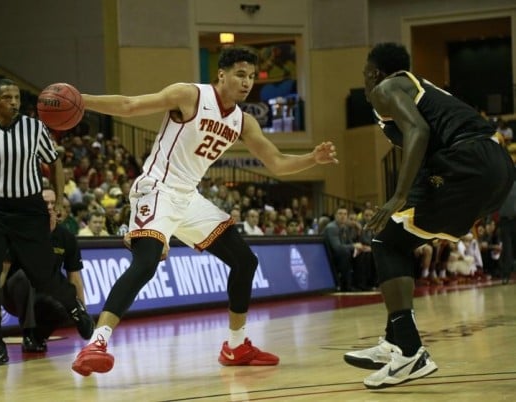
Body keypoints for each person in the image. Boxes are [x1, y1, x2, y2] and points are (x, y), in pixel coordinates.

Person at [70, 46, 338, 376]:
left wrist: (312, 158)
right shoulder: (189, 95)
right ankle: (96, 343)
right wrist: (80, 99)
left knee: (245, 261)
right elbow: (130, 105)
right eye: (240, 74)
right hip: (157, 188)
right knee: (146, 262)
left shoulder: (244, 121)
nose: (247, 82)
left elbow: (278, 163)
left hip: (189, 198)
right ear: (221, 75)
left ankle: (236, 345)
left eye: (252, 77)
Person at [343, 43, 514, 389]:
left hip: (469, 161)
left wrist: (400, 195)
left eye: (364, 71)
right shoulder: (416, 87)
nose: (364, 78)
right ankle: (395, 341)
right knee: (397, 241)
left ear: (375, 73)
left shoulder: (385, 89)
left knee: (384, 241)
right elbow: (425, 139)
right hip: (496, 167)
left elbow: (417, 132)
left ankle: (409, 351)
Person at [0, 78, 94, 367]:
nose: (15, 102)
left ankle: (75, 307)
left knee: (43, 274)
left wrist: (57, 200)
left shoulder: (35, 128)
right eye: (7, 97)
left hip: (29, 209)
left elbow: (54, 163)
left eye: (17, 97)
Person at [1, 188, 86, 352]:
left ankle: (37, 337)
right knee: (23, 277)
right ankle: (28, 333)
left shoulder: (66, 237)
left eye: (53, 203)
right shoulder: (18, 232)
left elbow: (74, 276)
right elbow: (3, 271)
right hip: (14, 294)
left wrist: (82, 313)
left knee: (66, 303)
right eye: (45, 202)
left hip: (45, 293)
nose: (49, 206)